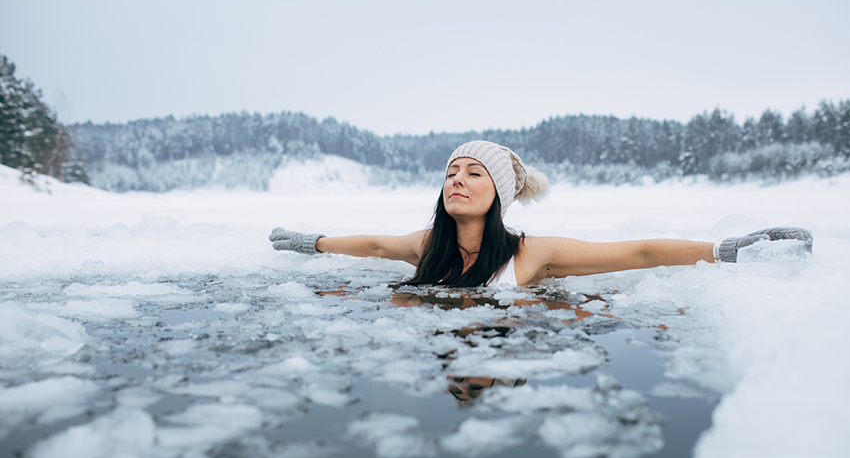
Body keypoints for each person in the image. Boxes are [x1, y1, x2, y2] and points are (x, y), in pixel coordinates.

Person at [269, 140, 812, 287]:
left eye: (473, 173)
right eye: (451, 172)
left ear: (499, 195)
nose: (457, 180)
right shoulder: (427, 245)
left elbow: (639, 252)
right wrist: (310, 242)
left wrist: (726, 250)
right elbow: (372, 245)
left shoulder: (531, 254)